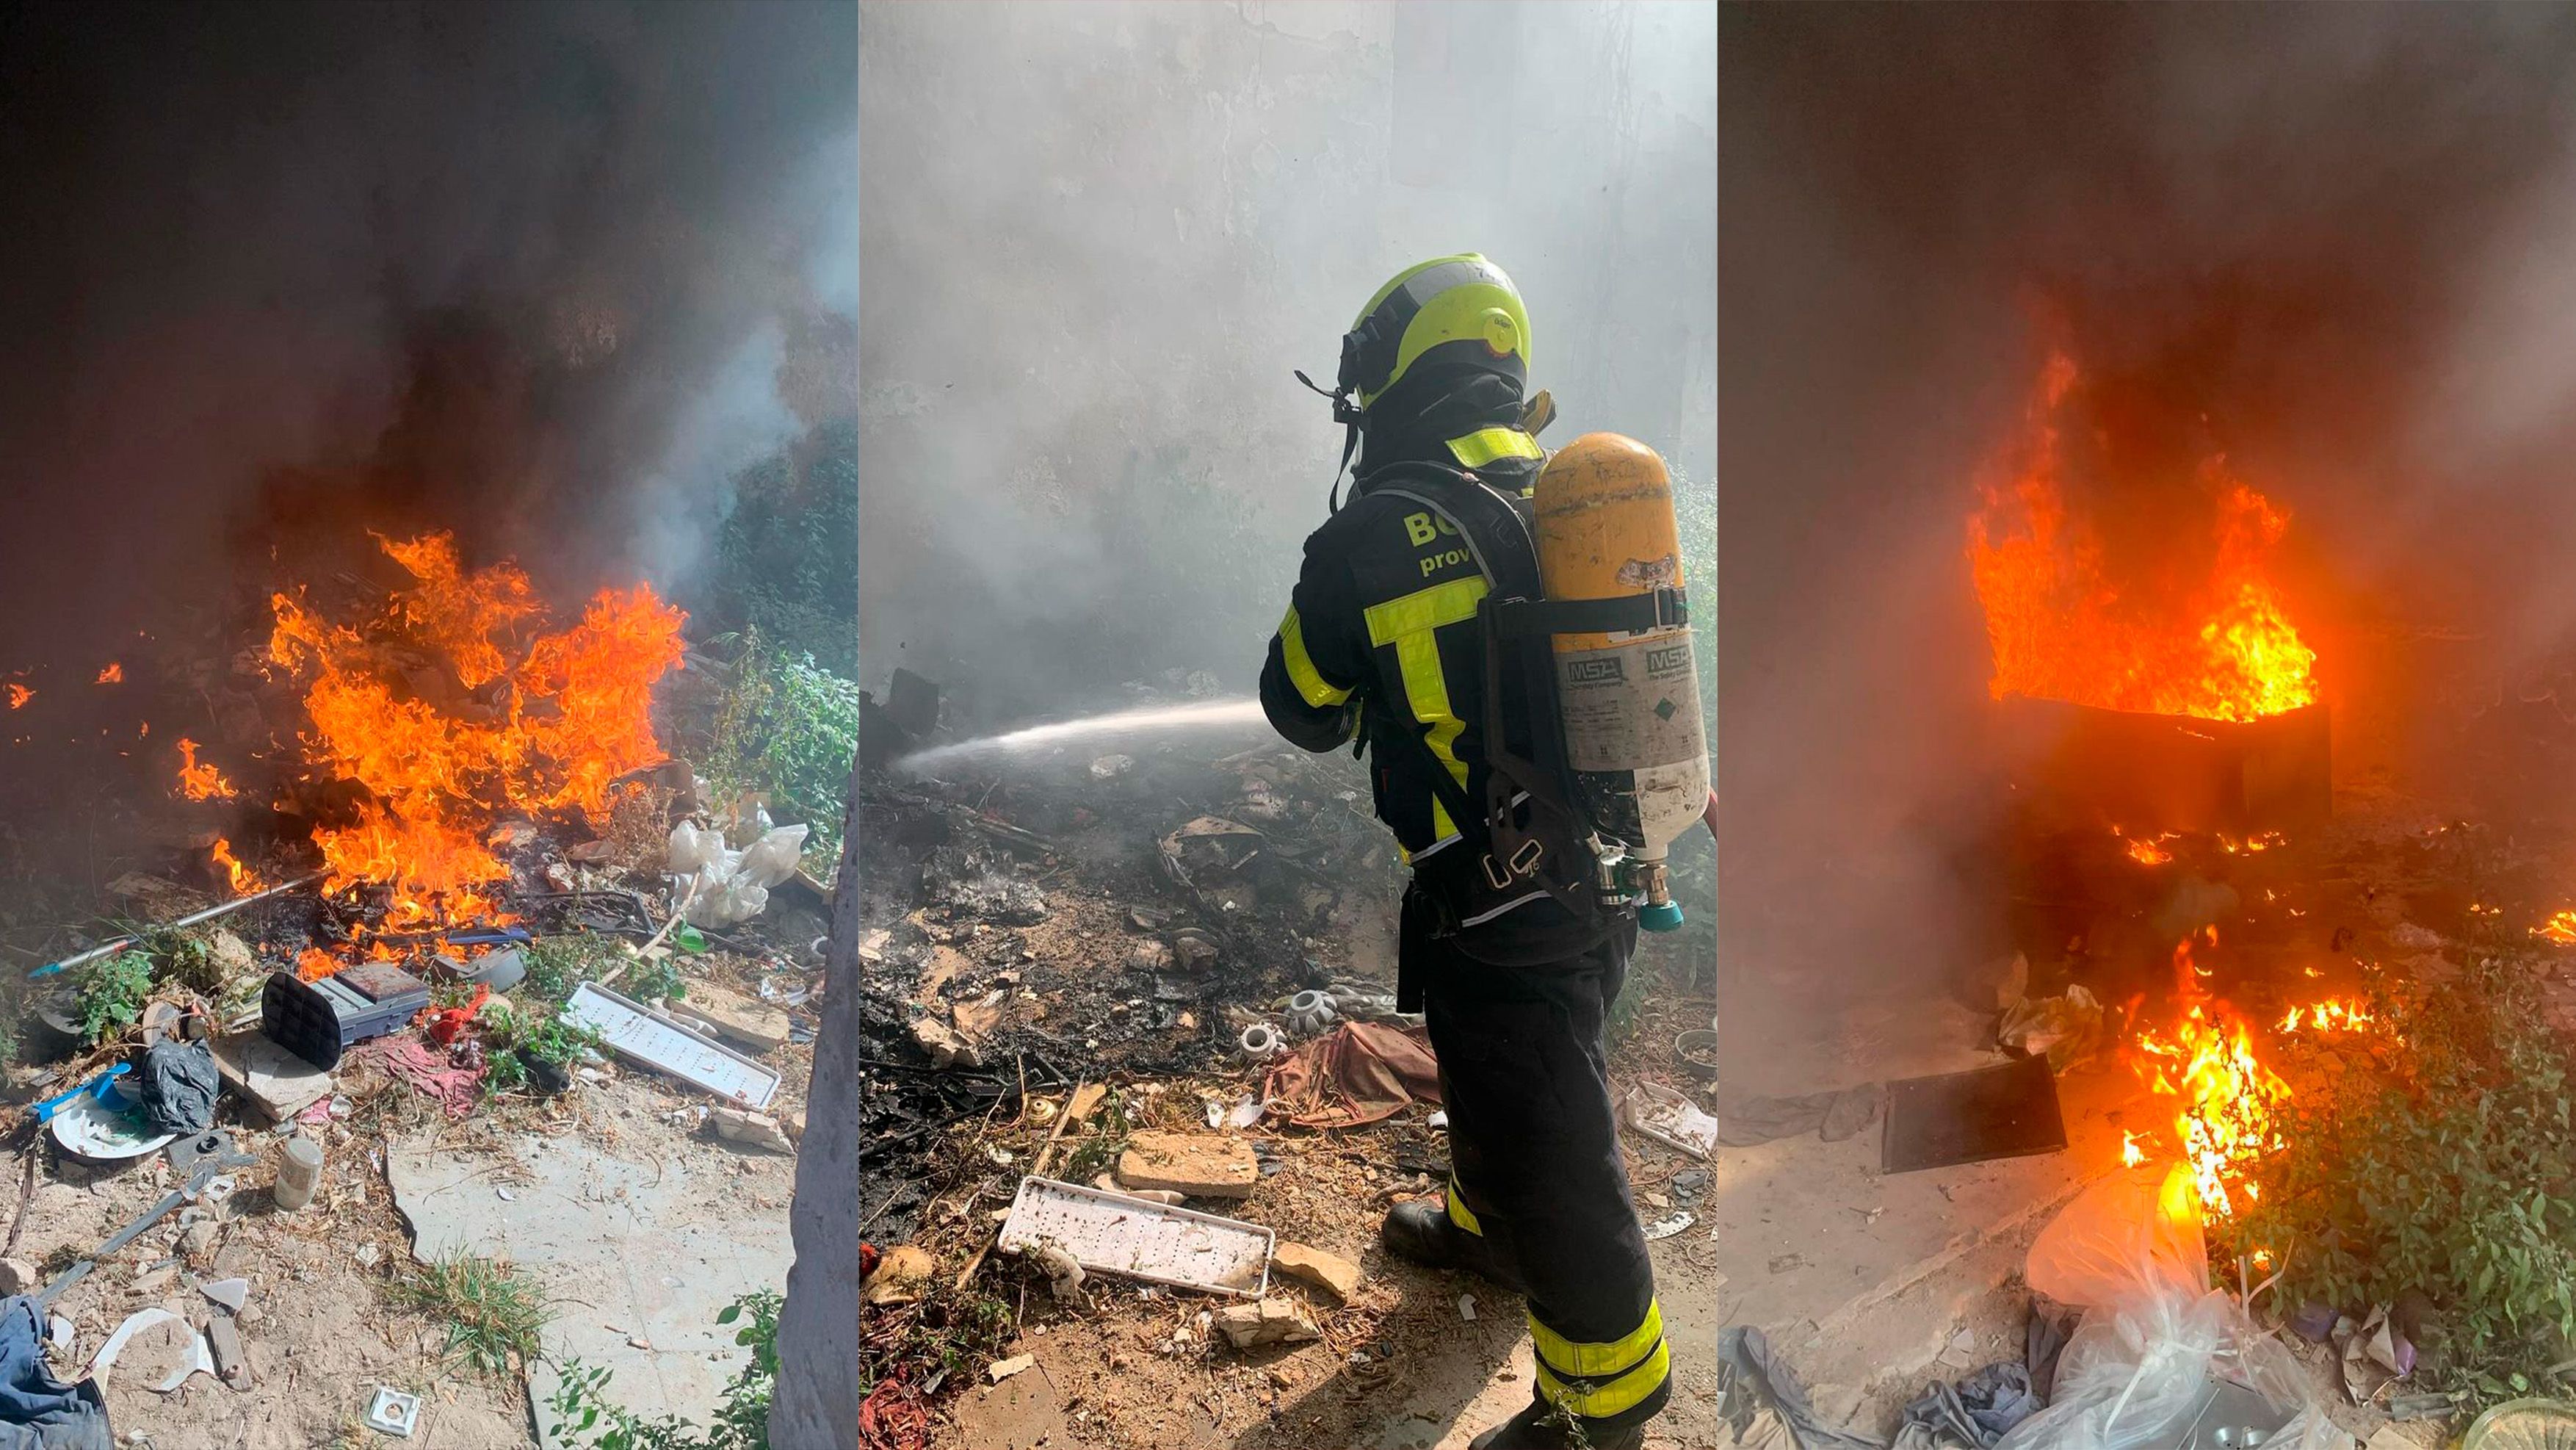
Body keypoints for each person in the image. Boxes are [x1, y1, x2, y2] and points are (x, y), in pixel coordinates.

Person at [1259, 254, 1707, 1450]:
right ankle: (1491, 1230)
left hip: (1497, 894)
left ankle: (1603, 1405)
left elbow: (1297, 704)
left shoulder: (1371, 533)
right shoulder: (1562, 492)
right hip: (1607, 876)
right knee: (1508, 1074)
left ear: (1403, 374)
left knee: (1551, 1129)